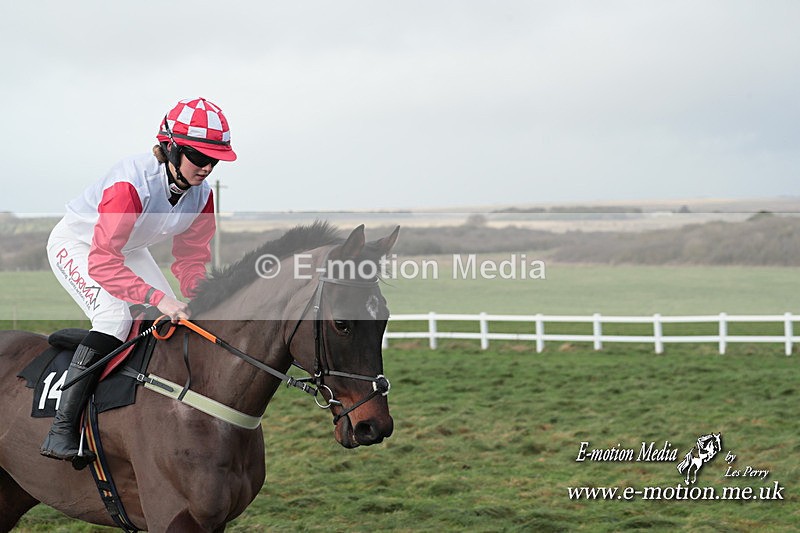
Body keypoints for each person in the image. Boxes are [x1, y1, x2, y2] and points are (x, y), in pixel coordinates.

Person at [41, 97, 237, 464]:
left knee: (168, 314)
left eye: (216, 160)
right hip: (81, 245)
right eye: (200, 157)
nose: (208, 168)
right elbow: (102, 261)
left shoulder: (203, 195)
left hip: (127, 248)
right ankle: (61, 428)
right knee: (115, 317)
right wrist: (156, 296)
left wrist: (202, 295)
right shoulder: (130, 184)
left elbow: (192, 257)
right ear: (171, 148)